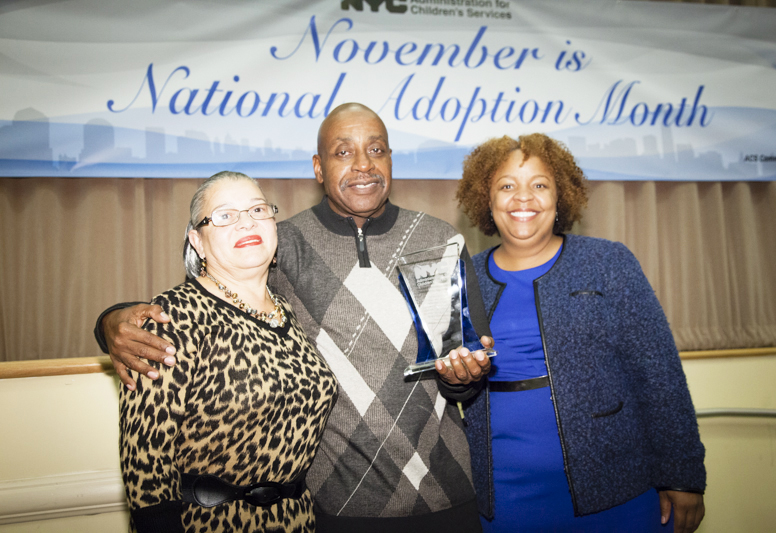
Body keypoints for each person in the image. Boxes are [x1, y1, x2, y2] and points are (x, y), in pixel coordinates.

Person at [96, 104, 494, 533]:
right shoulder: (278, 245)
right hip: (335, 507)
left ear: (391, 159)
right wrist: (110, 322)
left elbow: (467, 366)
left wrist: (463, 375)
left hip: (447, 492)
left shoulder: (441, 239)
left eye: (376, 149)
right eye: (343, 153)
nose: (363, 165)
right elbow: (209, 297)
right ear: (318, 168)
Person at [456, 133, 706, 533]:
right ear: (487, 199)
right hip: (505, 500)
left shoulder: (608, 262)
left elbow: (659, 375)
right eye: (507, 186)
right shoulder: (464, 280)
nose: (524, 198)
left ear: (561, 197)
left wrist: (682, 475)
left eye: (540, 185)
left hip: (617, 491)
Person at [119, 171, 338, 533]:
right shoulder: (172, 316)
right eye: (225, 215)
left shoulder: (285, 310)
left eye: (257, 209)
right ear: (197, 241)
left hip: (298, 522)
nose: (246, 222)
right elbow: (145, 461)